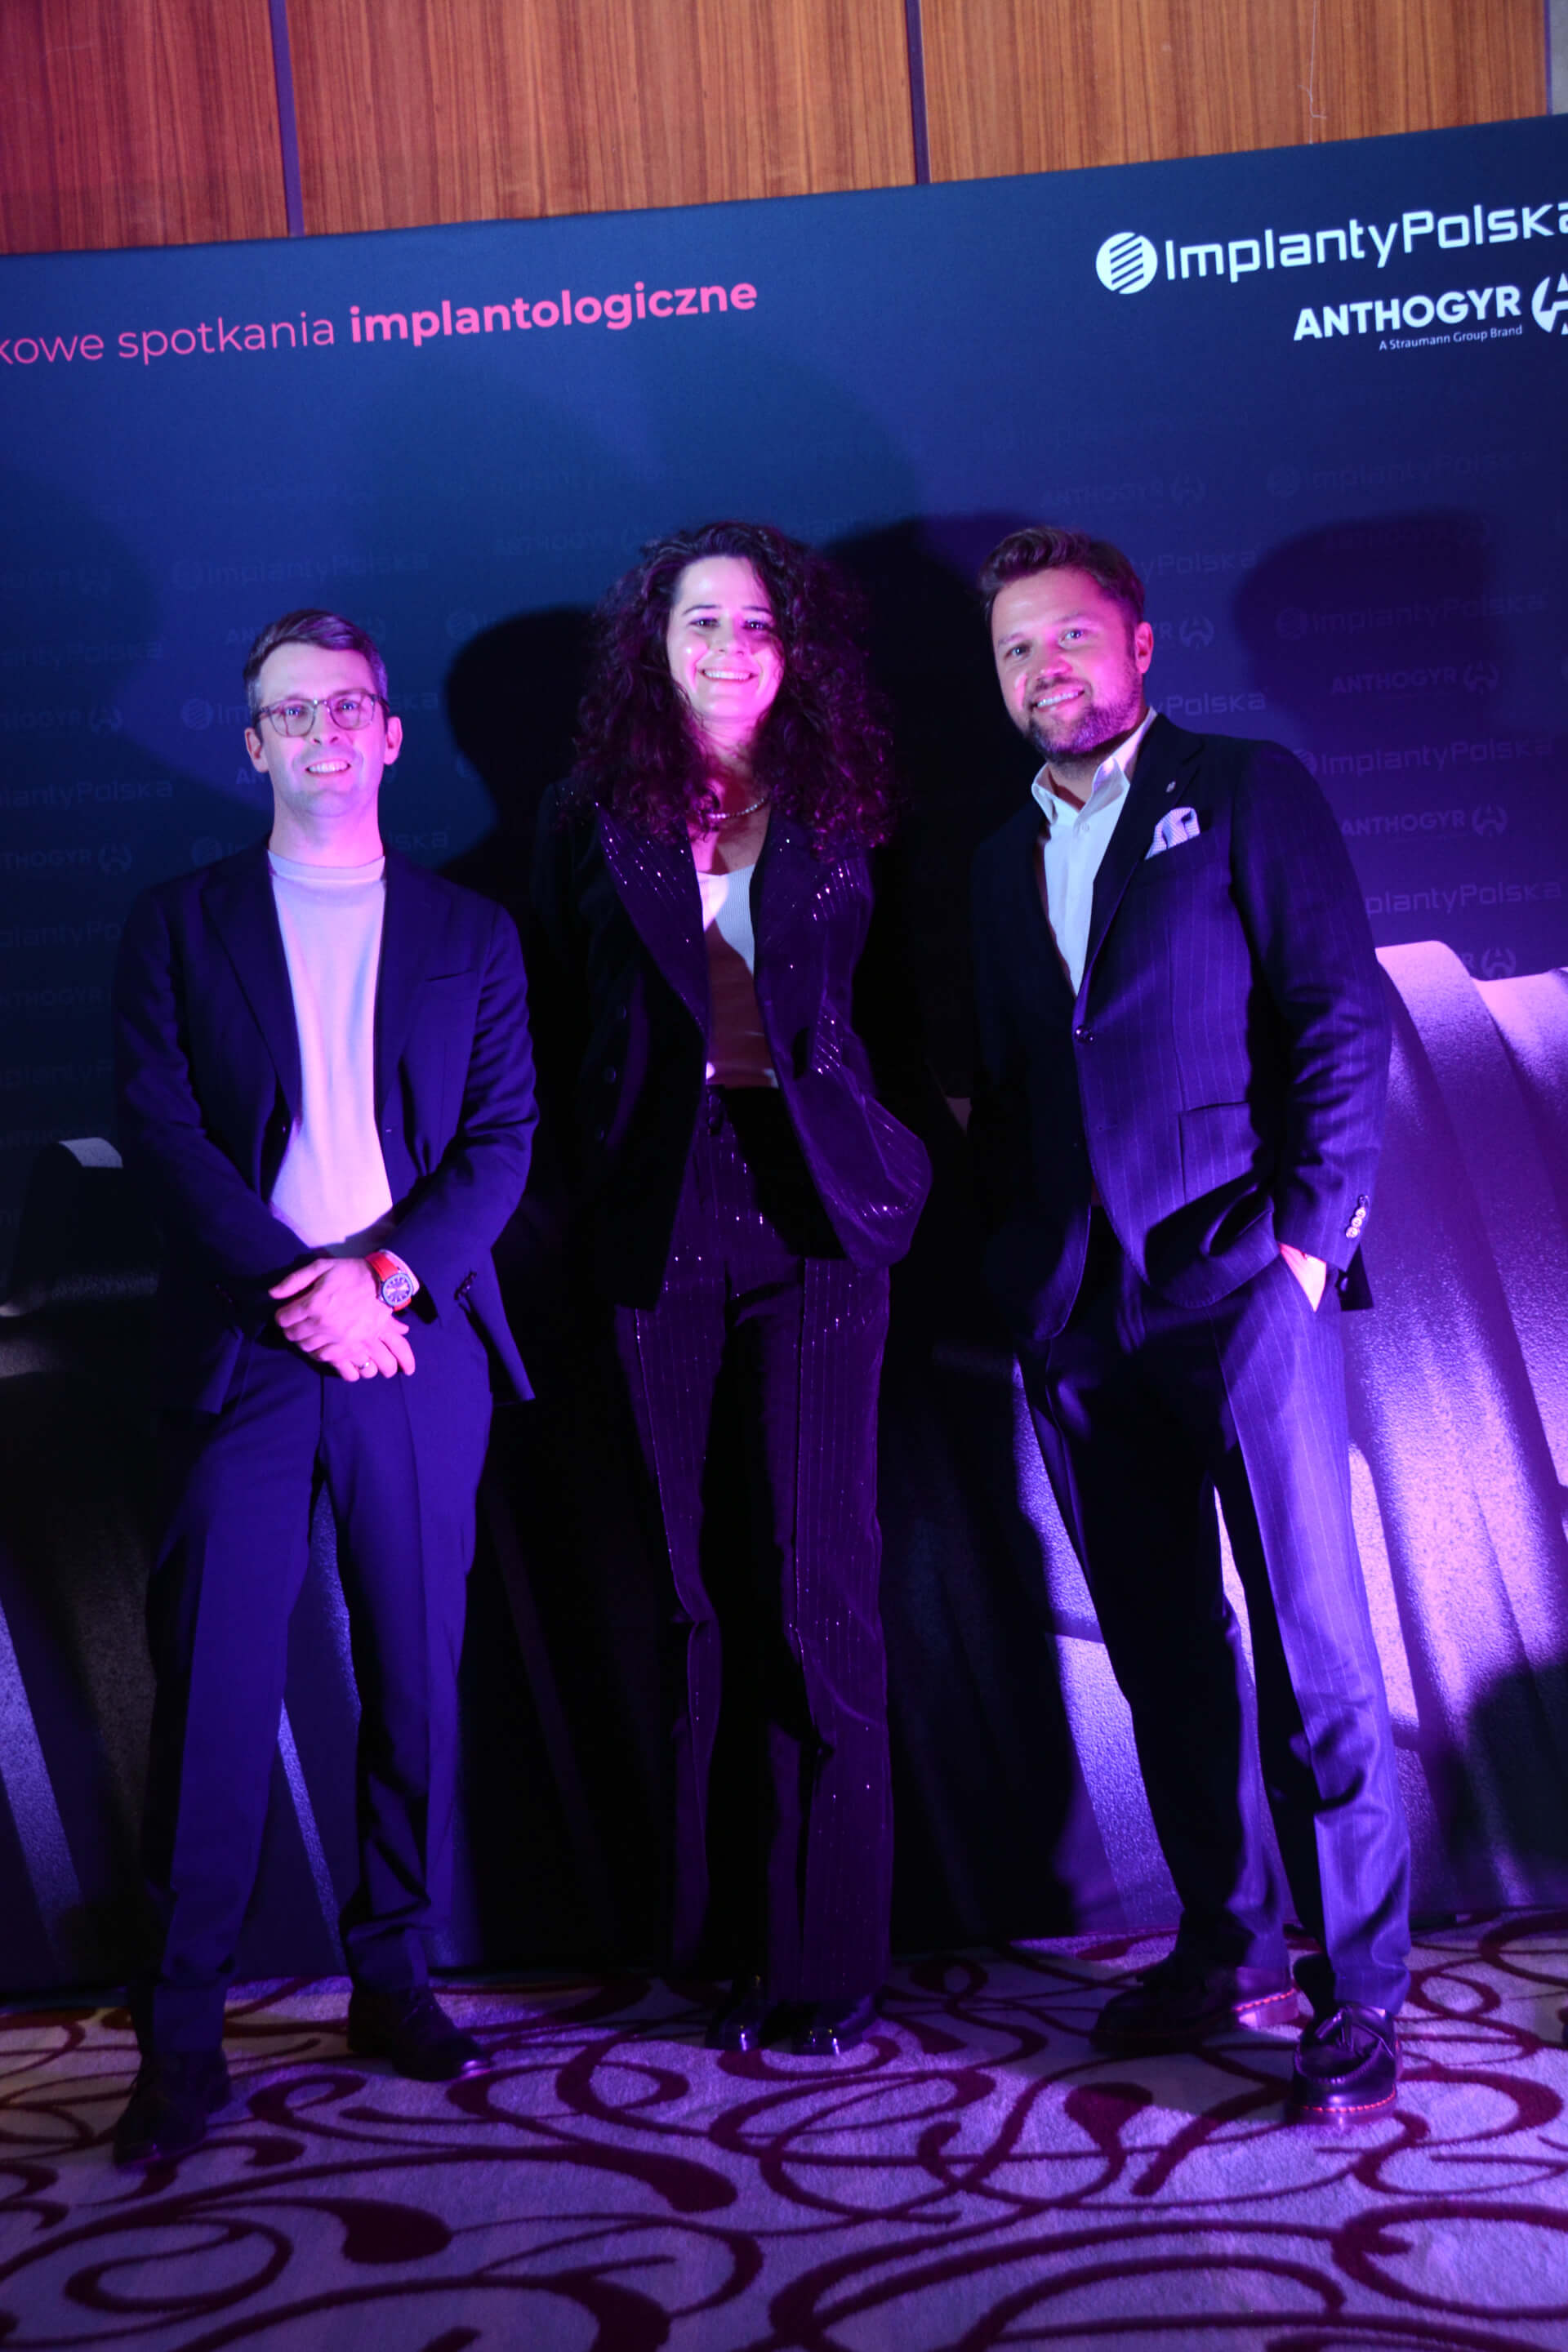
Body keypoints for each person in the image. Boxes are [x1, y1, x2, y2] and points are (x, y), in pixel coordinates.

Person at [967, 526, 1410, 2124]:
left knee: (1312, 1645)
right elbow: (1010, 1087)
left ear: (1140, 646)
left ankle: (1359, 1983)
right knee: (1161, 1652)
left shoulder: (1243, 789)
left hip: (1240, 1284)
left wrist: (1305, 1245)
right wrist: (1020, 1280)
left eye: (1072, 636)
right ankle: (1224, 1941)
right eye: (1018, 649)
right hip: (1079, 1316)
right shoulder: (993, 860)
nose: (1047, 669)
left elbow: (1338, 1014)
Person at [111, 609, 537, 2163]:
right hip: (250, 1347)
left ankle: (394, 1973)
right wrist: (305, 1291)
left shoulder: (472, 932)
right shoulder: (179, 923)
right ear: (254, 745)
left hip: (413, 1345)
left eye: (347, 706)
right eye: (290, 714)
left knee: (415, 1677)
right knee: (216, 1691)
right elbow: (161, 1132)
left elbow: (501, 1140)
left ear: (390, 733)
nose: (322, 734)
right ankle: (181, 2031)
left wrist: (384, 1281)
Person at [532, 521, 929, 2056]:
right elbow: (559, 1025)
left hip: (816, 1214)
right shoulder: (590, 811)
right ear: (656, 640)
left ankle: (828, 1961)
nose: (728, 649)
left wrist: (899, 1164)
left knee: (820, 1586)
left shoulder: (846, 799)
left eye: (758, 625)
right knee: (693, 1599)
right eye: (702, 621)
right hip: (657, 1223)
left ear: (794, 648)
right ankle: (708, 1938)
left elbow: (913, 1005)